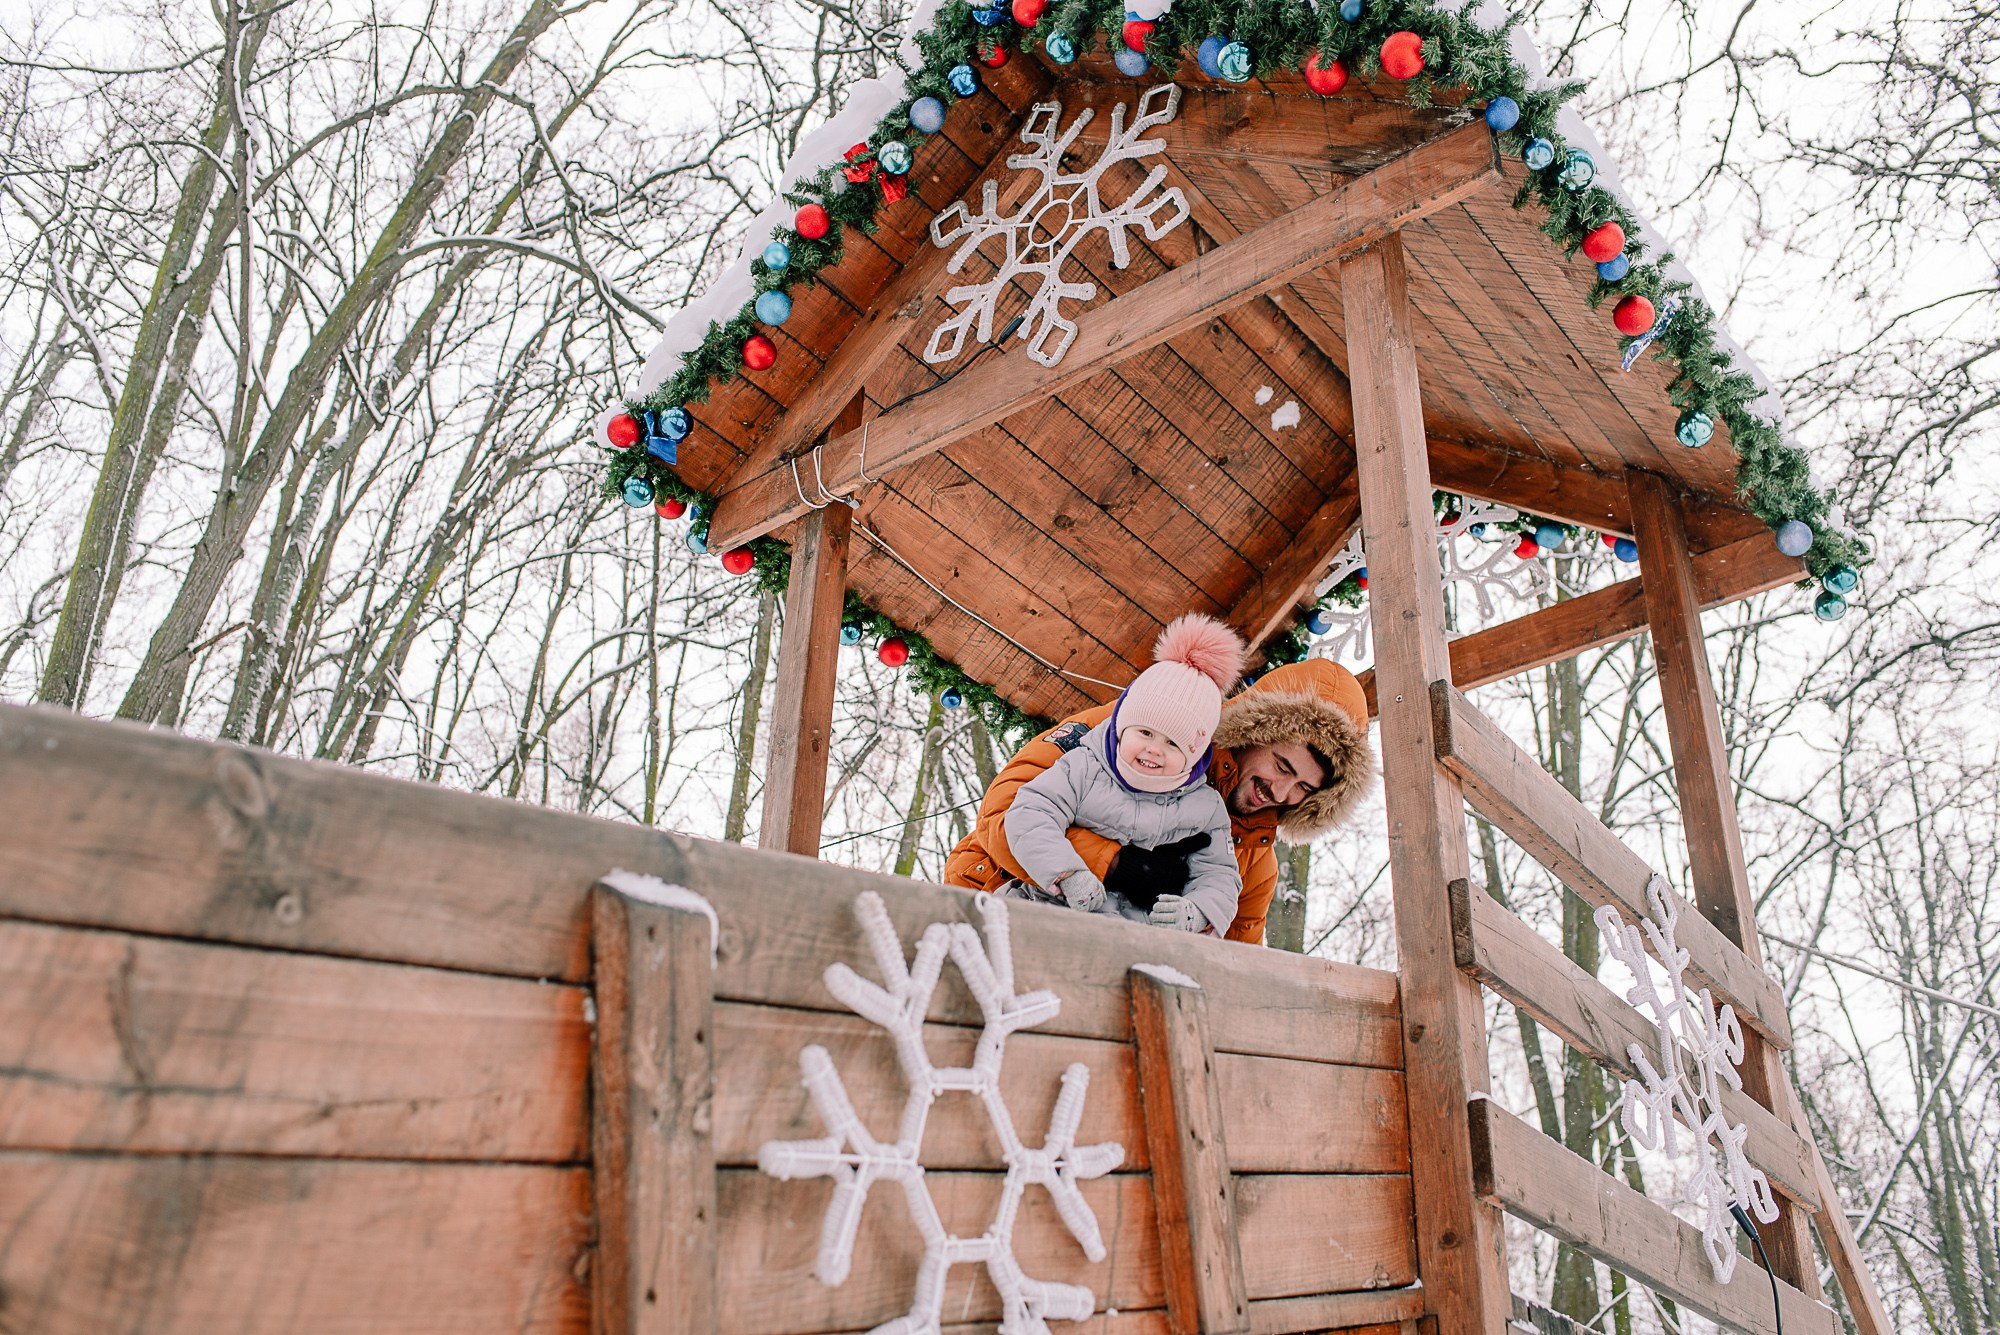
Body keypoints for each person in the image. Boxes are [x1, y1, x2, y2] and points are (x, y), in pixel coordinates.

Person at [943, 652, 1375, 945]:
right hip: (998, 902)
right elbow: (1005, 813)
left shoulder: (1255, 858)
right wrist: (1118, 866)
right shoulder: (1142, 734)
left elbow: (1239, 958)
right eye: (1283, 766)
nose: (1280, 794)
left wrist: (1199, 918)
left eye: (1304, 789)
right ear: (1253, 732)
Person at [999, 613, 1246, 934]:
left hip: (1136, 937)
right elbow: (1030, 813)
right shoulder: (1085, 766)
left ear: (1195, 755)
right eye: (1144, 732)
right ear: (1121, 726)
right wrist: (1067, 873)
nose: (1154, 749)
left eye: (1173, 743)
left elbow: (1219, 874)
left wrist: (1198, 911)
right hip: (1051, 911)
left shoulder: (1205, 807)